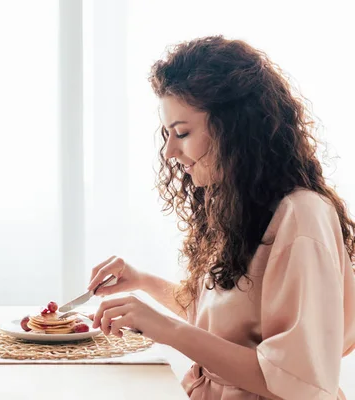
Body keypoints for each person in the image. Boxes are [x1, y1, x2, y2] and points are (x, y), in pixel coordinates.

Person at [87, 36, 355, 399]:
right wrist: (143, 281)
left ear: (236, 127)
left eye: (182, 132)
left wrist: (163, 328)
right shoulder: (245, 208)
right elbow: (226, 322)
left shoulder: (302, 217)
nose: (169, 151)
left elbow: (297, 382)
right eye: (167, 134)